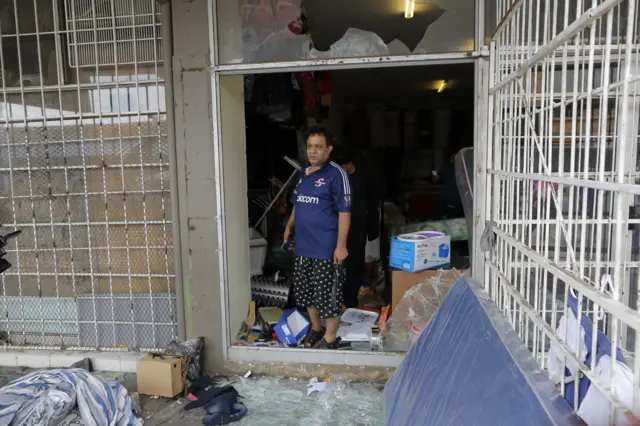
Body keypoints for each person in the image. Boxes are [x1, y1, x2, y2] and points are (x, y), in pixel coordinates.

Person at [284, 126, 351, 349]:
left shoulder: (336, 175)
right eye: (310, 147)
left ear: (329, 150)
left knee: (328, 296)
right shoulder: (304, 173)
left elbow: (344, 212)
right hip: (303, 246)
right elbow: (298, 203)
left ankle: (330, 338)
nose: (313, 152)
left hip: (325, 247)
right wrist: (289, 226)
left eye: (318, 147)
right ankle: (316, 329)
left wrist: (341, 246)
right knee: (305, 294)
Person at [332, 145, 382, 309]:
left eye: (342, 166)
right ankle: (337, 299)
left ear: (349, 163)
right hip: (339, 224)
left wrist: (370, 218)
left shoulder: (365, 175)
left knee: (355, 262)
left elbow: (376, 196)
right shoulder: (338, 177)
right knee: (338, 262)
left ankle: (350, 300)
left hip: (359, 223)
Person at [432, 149, 464, 219]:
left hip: (459, 201)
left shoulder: (463, 168)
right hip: (449, 200)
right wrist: (435, 175)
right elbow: (436, 179)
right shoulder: (447, 167)